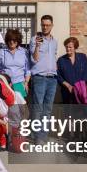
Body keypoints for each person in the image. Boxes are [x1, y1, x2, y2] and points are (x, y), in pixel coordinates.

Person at [29, 15, 58, 143]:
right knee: (38, 108)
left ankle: (43, 135)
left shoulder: (54, 41)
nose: (45, 27)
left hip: (52, 78)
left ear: (52, 26)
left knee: (48, 109)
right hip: (39, 78)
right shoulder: (34, 39)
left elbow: (53, 57)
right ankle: (37, 136)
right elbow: (34, 59)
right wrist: (37, 46)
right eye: (43, 25)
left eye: (47, 25)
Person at [0, 29, 31, 97]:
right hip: (5, 85)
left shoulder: (24, 52)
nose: (11, 42)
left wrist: (26, 83)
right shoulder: (2, 51)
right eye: (9, 40)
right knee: (6, 106)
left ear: (18, 40)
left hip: (20, 84)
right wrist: (2, 82)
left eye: (14, 40)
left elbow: (27, 70)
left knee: (20, 107)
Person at [57, 37, 87, 104]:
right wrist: (67, 85)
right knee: (68, 112)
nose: (68, 49)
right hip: (67, 91)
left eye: (70, 47)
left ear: (75, 47)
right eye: (66, 47)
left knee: (81, 112)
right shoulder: (61, 60)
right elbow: (57, 75)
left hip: (81, 91)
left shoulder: (82, 57)